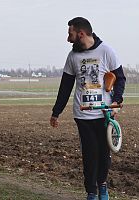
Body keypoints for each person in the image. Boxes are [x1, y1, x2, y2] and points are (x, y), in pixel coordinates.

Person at [50, 17, 126, 200]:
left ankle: (103, 186)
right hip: (82, 114)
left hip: (104, 113)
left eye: (71, 34)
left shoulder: (106, 51)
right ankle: (91, 191)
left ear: (81, 34)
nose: (68, 39)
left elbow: (120, 78)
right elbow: (66, 86)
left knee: (103, 153)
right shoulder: (72, 56)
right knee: (90, 154)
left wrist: (116, 101)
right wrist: (56, 112)